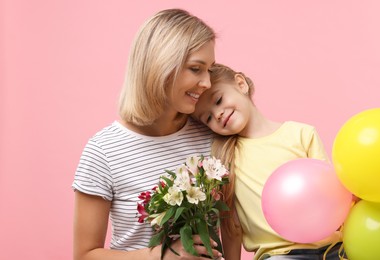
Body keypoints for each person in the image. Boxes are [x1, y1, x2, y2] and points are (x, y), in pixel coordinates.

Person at [72, 9, 224, 260]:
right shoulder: (103, 151)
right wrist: (160, 256)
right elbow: (84, 255)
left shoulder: (211, 135)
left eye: (210, 69)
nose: (207, 82)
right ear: (160, 66)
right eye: (196, 69)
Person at [192, 63, 347, 260]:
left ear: (240, 84)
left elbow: (332, 195)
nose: (218, 114)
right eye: (208, 118)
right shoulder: (226, 159)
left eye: (219, 100)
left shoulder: (301, 133)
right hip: (279, 254)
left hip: (333, 247)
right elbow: (232, 227)